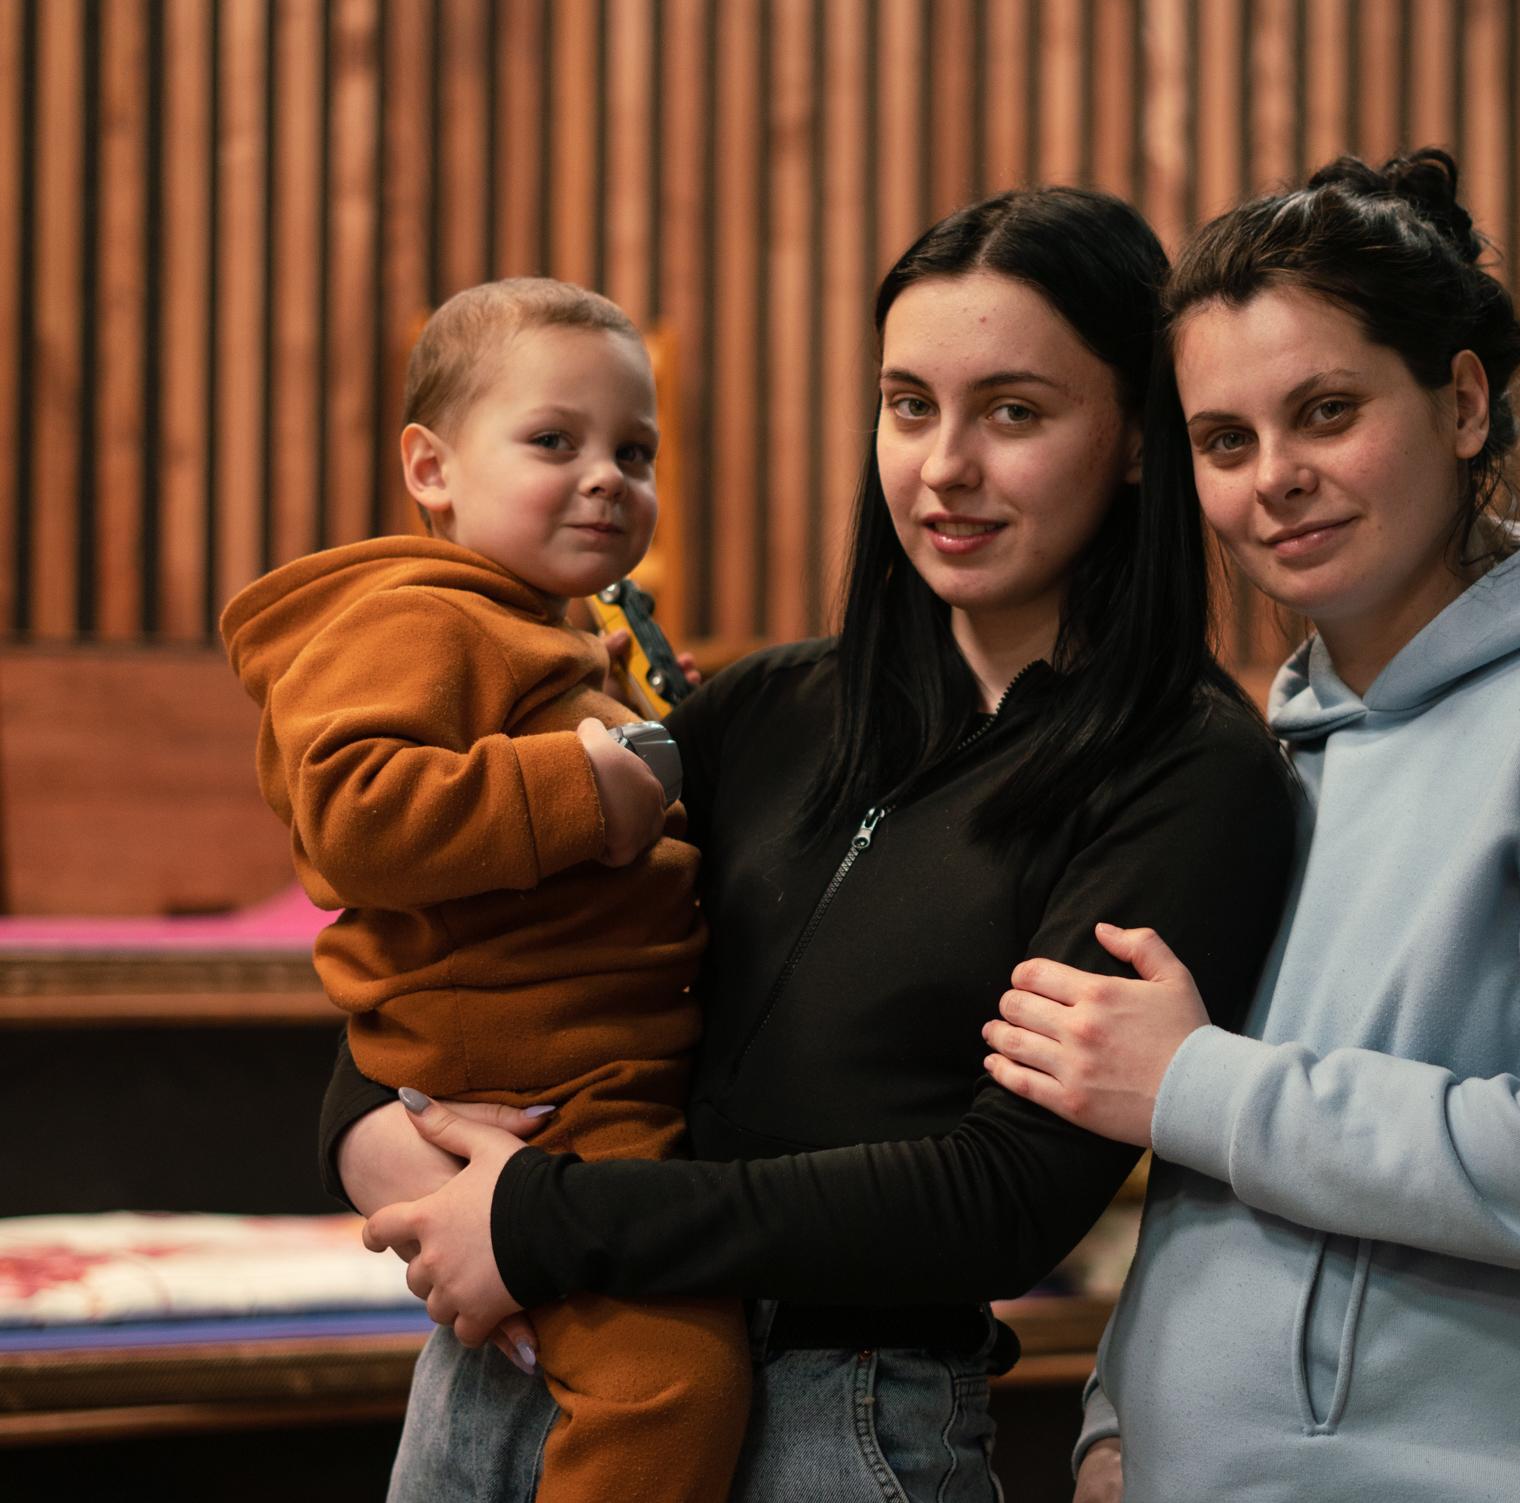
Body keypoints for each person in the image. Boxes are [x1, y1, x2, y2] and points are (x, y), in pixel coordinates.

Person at [323, 187, 1298, 1502]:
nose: (943, 465)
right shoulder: (764, 705)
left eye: (1013, 411)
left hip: (838, 1419)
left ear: (1134, 437)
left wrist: (545, 1215)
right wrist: (376, 1134)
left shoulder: (1187, 767)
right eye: (909, 405)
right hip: (520, 1359)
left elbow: (999, 1190)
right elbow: (480, 956)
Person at [983, 150, 1520, 1501]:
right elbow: (1225, 1169)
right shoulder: (1282, 742)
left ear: (1463, 401)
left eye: (1326, 411)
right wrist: (1121, 1415)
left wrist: (1192, 1080)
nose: (1276, 479)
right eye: (1224, 441)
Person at [221, 280, 752, 1503]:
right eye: (553, 441)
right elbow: (351, 816)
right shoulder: (414, 622)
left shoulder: (548, 631)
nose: (607, 476)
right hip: (533, 1078)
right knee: (672, 1378)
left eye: (635, 450)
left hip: (592, 1059)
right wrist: (579, 780)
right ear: (431, 468)